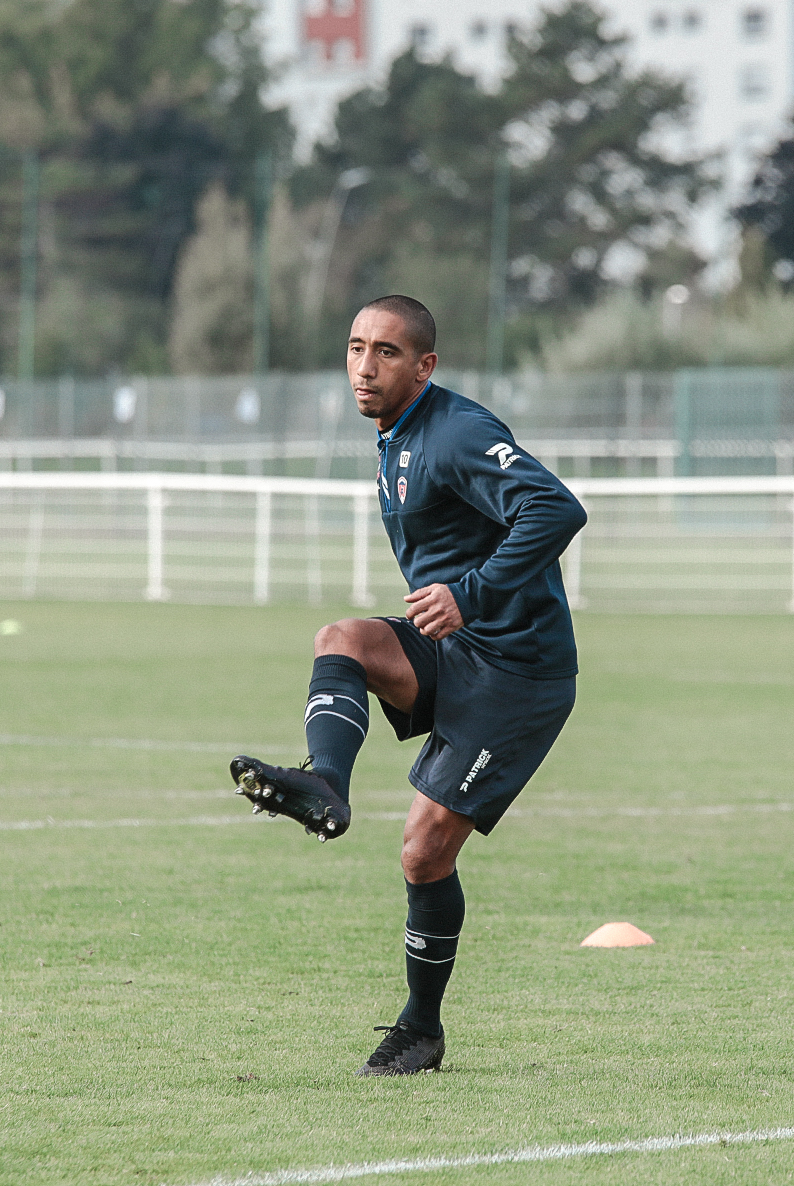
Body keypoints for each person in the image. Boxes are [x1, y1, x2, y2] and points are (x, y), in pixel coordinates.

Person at [229, 296, 587, 1074]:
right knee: (342, 640)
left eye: (386, 352)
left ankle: (421, 1030)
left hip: (516, 673)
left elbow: (556, 507)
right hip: (454, 645)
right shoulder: (396, 433)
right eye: (356, 347)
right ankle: (326, 785)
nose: (365, 367)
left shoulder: (456, 433)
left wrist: (471, 594)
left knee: (423, 854)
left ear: (425, 366)